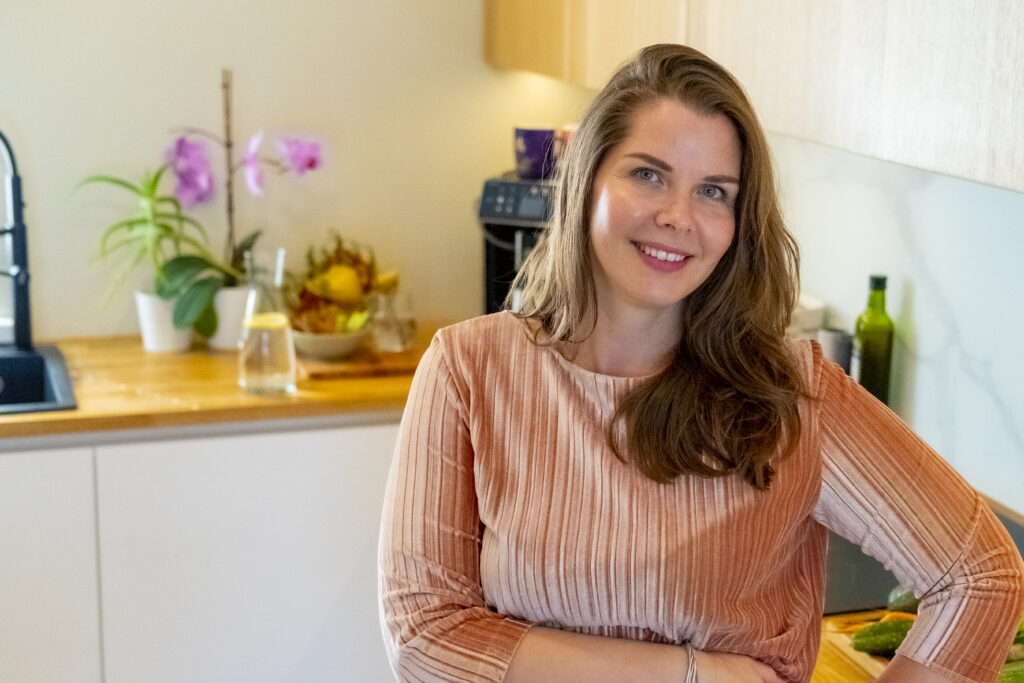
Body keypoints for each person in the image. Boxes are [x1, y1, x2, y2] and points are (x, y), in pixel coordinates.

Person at [378, 44, 1024, 682]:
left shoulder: (790, 395)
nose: (678, 217)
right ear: (587, 176)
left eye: (713, 191)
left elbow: (980, 575)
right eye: (648, 174)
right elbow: (424, 636)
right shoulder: (468, 370)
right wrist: (692, 673)